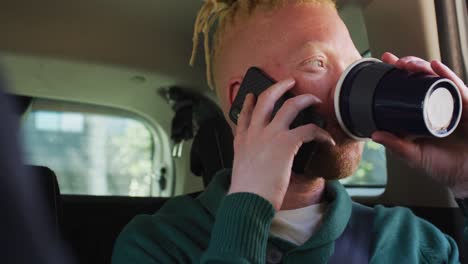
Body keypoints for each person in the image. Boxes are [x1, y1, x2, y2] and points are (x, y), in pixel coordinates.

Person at [112, 0, 468, 263]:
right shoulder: (159, 244)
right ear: (246, 98)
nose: (347, 83)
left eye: (356, 64)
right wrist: (248, 212)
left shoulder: (413, 243)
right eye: (316, 63)